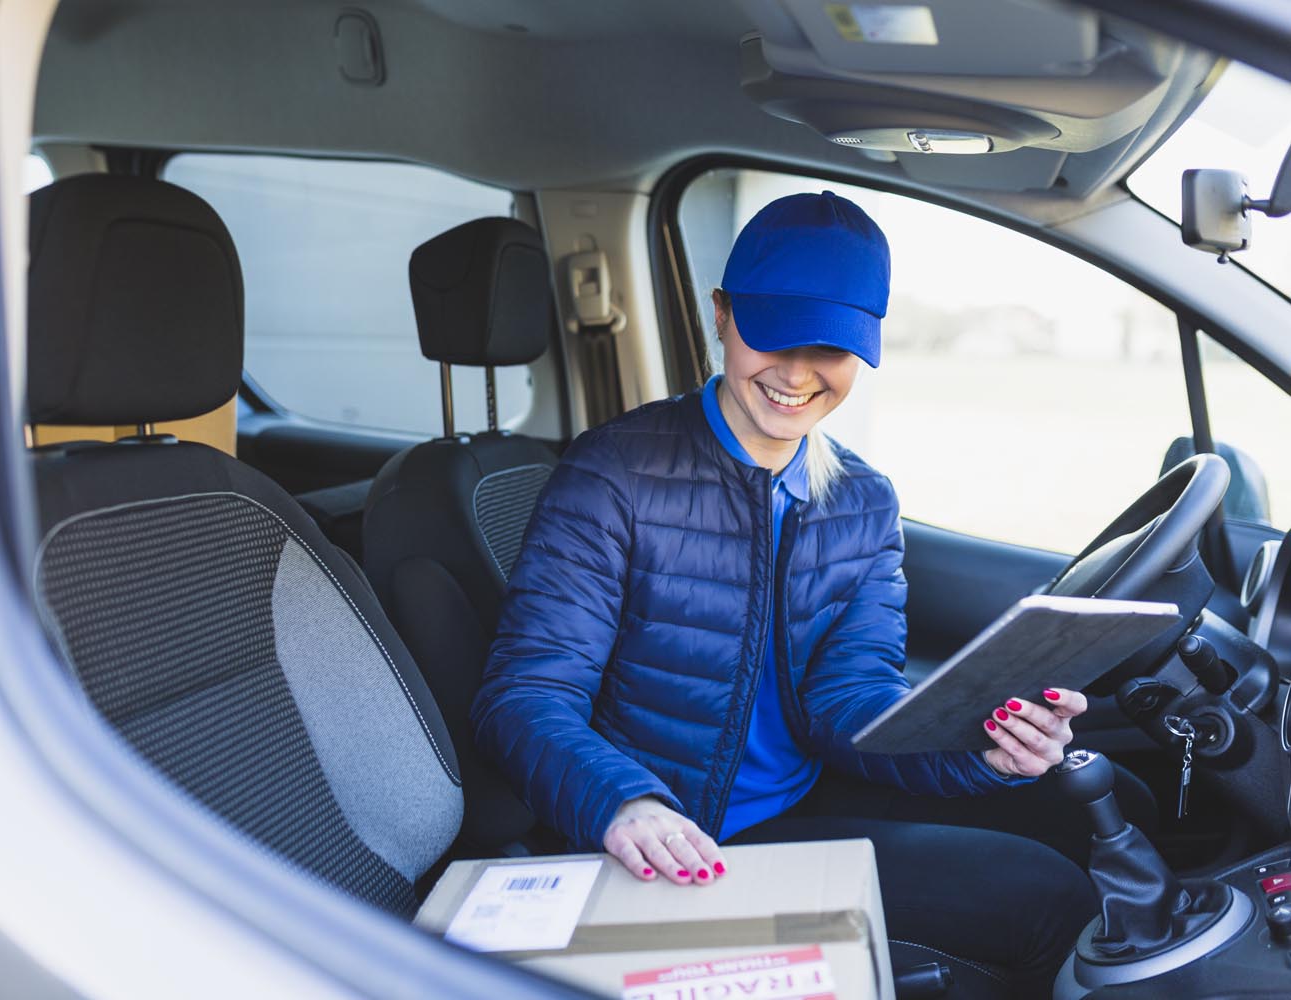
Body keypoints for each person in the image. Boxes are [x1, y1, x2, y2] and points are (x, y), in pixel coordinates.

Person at [471, 192, 1109, 999]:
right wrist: (623, 802)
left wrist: (980, 751)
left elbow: (849, 700)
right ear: (722, 317)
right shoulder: (613, 475)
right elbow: (524, 695)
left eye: (832, 347)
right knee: (1046, 899)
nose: (798, 375)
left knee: (1082, 803)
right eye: (774, 336)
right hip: (675, 834)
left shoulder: (862, 500)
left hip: (800, 796)